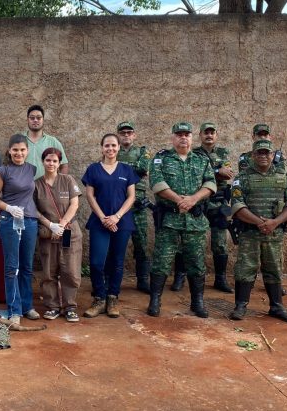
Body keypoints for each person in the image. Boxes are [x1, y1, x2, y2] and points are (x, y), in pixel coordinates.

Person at [147, 123, 217, 319]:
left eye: (187, 134)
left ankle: (197, 302)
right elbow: (157, 183)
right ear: (173, 138)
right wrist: (180, 200)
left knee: (196, 263)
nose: (183, 138)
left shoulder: (202, 160)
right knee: (161, 261)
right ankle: (155, 300)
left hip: (194, 221)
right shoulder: (161, 158)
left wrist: (193, 199)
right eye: (179, 135)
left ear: (192, 138)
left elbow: (211, 183)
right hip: (169, 220)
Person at [229, 140, 287, 322]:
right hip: (249, 233)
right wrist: (260, 223)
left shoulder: (284, 177)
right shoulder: (242, 177)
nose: (263, 156)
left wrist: (275, 222)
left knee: (274, 268)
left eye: (266, 152)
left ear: (272, 155)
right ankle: (240, 306)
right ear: (253, 155)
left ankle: (277, 306)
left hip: (274, 233)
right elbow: (237, 206)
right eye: (259, 152)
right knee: (245, 268)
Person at [82, 134, 138, 318]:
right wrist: (104, 218)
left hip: (122, 222)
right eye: (107, 145)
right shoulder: (93, 169)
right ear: (102, 148)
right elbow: (90, 195)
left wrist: (116, 217)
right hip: (99, 222)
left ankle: (112, 297)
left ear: (118, 147)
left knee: (117, 262)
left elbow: (131, 196)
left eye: (113, 145)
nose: (110, 149)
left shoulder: (126, 169)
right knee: (96, 262)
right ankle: (99, 298)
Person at [0, 134, 40, 324]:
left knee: (27, 266)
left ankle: (27, 306)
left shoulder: (32, 169)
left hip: (30, 221)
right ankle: (14, 310)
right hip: (10, 221)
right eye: (15, 150)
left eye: (22, 150)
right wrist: (9, 208)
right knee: (12, 267)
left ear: (27, 151)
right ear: (9, 151)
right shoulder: (3, 172)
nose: (19, 153)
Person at [34, 147, 83, 322]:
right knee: (49, 271)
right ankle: (52, 306)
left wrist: (61, 226)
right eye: (48, 160)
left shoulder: (67, 180)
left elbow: (74, 204)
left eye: (55, 161)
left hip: (69, 231)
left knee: (71, 271)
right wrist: (51, 226)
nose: (51, 164)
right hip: (48, 234)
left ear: (59, 163)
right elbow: (34, 210)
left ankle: (70, 306)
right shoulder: (36, 184)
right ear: (43, 161)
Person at [193, 122, 235, 294]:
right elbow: (195, 174)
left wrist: (215, 172)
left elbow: (228, 174)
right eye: (206, 132)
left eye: (212, 132)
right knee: (192, 241)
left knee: (220, 243)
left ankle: (220, 279)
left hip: (219, 204)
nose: (209, 135)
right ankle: (182, 276)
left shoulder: (224, 153)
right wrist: (218, 171)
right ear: (200, 135)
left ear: (216, 135)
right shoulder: (194, 154)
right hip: (199, 203)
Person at [116, 121, 152, 294]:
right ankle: (112, 279)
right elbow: (109, 169)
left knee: (141, 244)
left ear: (134, 135)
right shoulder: (113, 151)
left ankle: (143, 280)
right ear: (118, 135)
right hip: (118, 206)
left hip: (138, 206)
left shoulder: (142, 151)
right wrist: (134, 170)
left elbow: (144, 167)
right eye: (123, 133)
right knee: (115, 244)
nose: (126, 135)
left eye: (129, 132)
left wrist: (120, 169)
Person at [24, 105, 69, 179]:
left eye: (39, 118)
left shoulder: (53, 141)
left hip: (46, 185)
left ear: (43, 120)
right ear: (27, 120)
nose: (35, 120)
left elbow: (64, 165)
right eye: (32, 118)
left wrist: (59, 183)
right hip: (23, 185)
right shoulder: (20, 140)